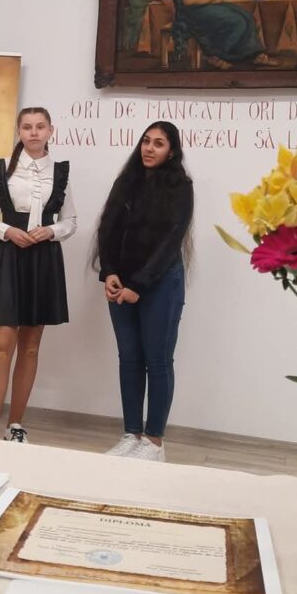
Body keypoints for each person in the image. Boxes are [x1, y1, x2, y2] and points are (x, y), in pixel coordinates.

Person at [0, 107, 77, 443]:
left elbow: (71, 220)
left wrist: (51, 231)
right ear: (19, 131)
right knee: (1, 347)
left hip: (43, 259)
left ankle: (15, 426)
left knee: (30, 349)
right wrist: (7, 231)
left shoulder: (60, 172)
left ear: (50, 131)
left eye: (40, 127)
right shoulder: (1, 169)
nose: (34, 132)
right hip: (7, 256)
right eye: (27, 127)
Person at [93, 122, 194, 462]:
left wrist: (139, 285)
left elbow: (171, 241)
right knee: (130, 359)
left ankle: (154, 442)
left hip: (161, 283)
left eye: (159, 143)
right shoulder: (126, 181)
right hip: (121, 283)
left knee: (158, 361)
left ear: (172, 151)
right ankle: (131, 434)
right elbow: (107, 229)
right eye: (146, 141)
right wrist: (109, 272)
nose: (149, 148)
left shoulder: (181, 187)